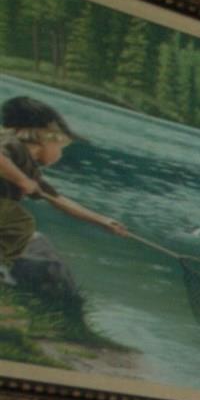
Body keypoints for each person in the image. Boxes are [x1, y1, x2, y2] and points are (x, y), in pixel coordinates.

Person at [0, 96, 129, 314]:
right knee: (20, 222)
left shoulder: (29, 169)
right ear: (45, 137)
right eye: (61, 146)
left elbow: (58, 200)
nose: (60, 155)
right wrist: (22, 181)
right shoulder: (11, 146)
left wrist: (102, 221)